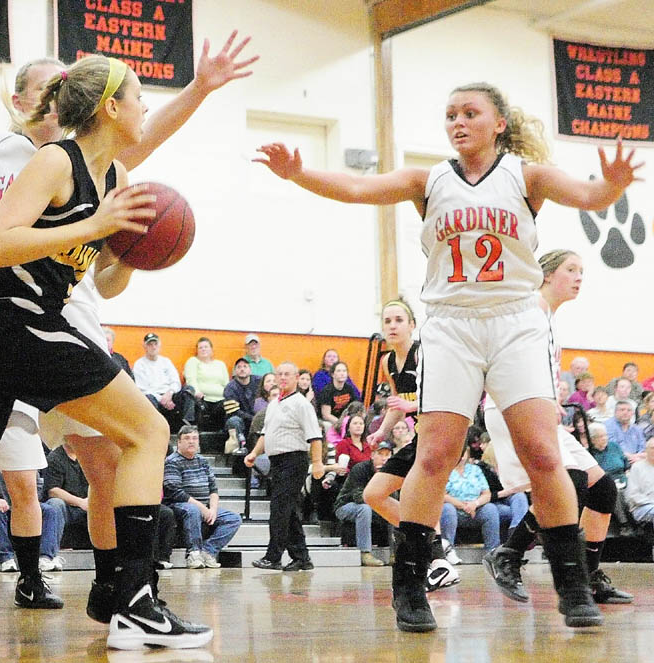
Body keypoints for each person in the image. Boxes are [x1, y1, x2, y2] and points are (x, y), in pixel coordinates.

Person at [0, 17, 255, 641]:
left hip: (65, 307)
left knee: (110, 456)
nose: (62, 90)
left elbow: (144, 144)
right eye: (49, 83)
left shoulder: (96, 159)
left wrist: (198, 89)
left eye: (69, 82)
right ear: (24, 99)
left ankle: (117, 590)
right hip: (1, 307)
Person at [256, 82, 641, 630]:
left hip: (514, 320)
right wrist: (300, 173)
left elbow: (589, 194)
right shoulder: (428, 179)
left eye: (470, 113)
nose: (457, 122)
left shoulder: (526, 176)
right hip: (452, 324)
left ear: (498, 123)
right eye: (450, 115)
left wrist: (615, 185)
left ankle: (573, 585)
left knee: (542, 453)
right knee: (434, 455)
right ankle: (409, 586)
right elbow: (358, 186)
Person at [483, 250, 632, 606]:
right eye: (571, 270)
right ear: (547, 274)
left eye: (582, 271)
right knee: (571, 482)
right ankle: (508, 554)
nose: (579, 277)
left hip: (538, 408)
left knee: (603, 489)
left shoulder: (547, 316)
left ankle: (589, 576)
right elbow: (497, 359)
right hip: (511, 408)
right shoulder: (528, 310)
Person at [361, 299, 458, 592]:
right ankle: (435, 548)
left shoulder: (424, 354)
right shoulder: (388, 362)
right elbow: (397, 405)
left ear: (412, 326)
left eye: (398, 320)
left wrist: (410, 403)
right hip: (420, 438)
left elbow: (445, 396)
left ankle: (438, 558)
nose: (392, 325)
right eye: (387, 321)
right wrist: (381, 432)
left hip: (441, 435)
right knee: (373, 494)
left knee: (422, 499)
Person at [245, 362, 324, 571]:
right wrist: (254, 453)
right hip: (277, 462)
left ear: (297, 377)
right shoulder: (274, 403)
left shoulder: (301, 404)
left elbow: (315, 436)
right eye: (279, 374)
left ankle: (273, 557)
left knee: (279, 510)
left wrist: (317, 463)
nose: (282, 378)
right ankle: (302, 558)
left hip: (294, 461)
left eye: (287, 374)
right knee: (287, 511)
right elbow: (265, 433)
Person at [163, 426, 241, 568]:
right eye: (187, 439)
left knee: (233, 518)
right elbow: (174, 491)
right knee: (193, 510)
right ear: (178, 442)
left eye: (194, 438)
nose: (191, 442)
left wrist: (212, 510)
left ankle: (208, 551)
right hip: (177, 505)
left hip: (203, 505)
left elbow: (213, 489)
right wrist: (202, 508)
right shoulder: (172, 461)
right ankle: (193, 553)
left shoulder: (203, 461)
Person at [0, 461, 62, 575]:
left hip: (24, 502)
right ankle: (6, 559)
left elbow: (37, 484)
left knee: (49, 510)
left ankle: (45, 557)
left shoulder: (26, 460)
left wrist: (29, 503)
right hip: (0, 503)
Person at [333, 442, 392, 566]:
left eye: (387, 454)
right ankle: (365, 553)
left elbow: (394, 497)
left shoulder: (391, 472)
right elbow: (358, 497)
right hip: (346, 506)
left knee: (394, 508)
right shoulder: (360, 469)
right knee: (364, 509)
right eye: (380, 454)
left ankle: (394, 552)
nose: (384, 458)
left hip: (373, 507)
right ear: (372, 455)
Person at [440, 445, 501, 553]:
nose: (461, 456)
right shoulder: (445, 469)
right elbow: (441, 495)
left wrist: (475, 504)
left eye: (464, 453)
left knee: (490, 509)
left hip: (475, 509)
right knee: (447, 509)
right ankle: (448, 551)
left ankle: (492, 551)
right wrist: (463, 505)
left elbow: (487, 494)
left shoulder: (475, 470)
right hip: (455, 509)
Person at [43, 441, 92, 570]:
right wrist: (81, 502)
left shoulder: (89, 457)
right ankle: (47, 557)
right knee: (54, 504)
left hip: (89, 504)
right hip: (67, 507)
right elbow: (53, 491)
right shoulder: (55, 458)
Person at [133, 333, 196, 432]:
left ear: (159, 345)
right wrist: (162, 399)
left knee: (189, 390)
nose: (153, 347)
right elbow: (142, 389)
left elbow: (176, 382)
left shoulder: (166, 362)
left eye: (155, 344)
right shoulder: (139, 365)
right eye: (150, 344)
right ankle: (155, 429)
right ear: (145, 347)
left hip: (170, 397)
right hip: (154, 399)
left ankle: (188, 425)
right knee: (147, 398)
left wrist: (170, 393)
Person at [183, 337, 229, 431]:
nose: (203, 349)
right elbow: (191, 380)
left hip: (220, 399)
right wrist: (196, 392)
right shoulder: (193, 361)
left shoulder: (220, 364)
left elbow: (227, 384)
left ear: (211, 350)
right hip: (203, 399)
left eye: (206, 347)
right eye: (200, 347)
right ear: (197, 351)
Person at [223, 357, 261, 453]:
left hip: (257, 417)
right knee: (234, 421)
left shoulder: (259, 381)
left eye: (245, 366)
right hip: (241, 420)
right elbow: (234, 412)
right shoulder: (230, 387)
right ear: (235, 371)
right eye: (239, 367)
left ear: (250, 369)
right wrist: (253, 418)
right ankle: (239, 448)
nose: (242, 369)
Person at [317, 362, 360, 428]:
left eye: (344, 371)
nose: (342, 373)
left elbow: (355, 406)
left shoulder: (349, 388)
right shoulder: (327, 390)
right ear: (333, 374)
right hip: (329, 421)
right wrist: (341, 424)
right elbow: (326, 415)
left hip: (344, 419)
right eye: (339, 371)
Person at [623, 438, 654, 527]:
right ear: (646, 451)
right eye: (652, 448)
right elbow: (633, 495)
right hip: (642, 507)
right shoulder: (637, 468)